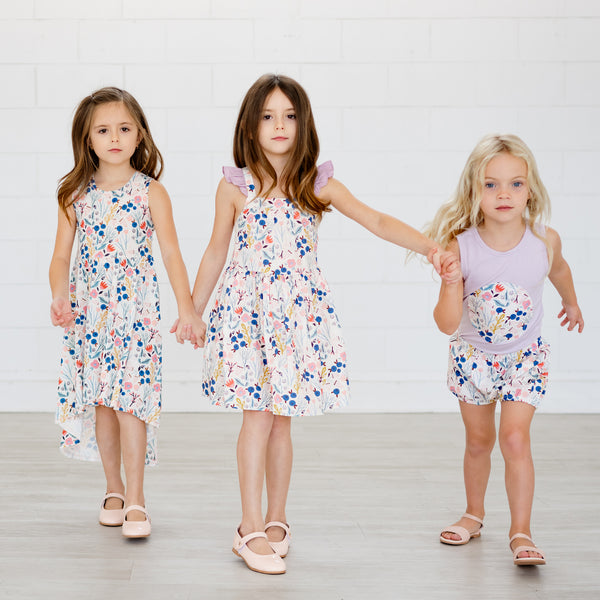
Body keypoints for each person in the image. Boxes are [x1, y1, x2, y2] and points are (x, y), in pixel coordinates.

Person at [186, 74, 456, 574]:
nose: (279, 125)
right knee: (256, 417)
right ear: (250, 125)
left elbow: (376, 220)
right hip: (247, 317)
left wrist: (431, 249)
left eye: (289, 116)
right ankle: (248, 526)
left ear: (303, 123)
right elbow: (216, 250)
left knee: (282, 421)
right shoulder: (235, 186)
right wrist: (192, 309)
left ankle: (276, 516)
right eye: (268, 116)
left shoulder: (318, 184)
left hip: (295, 319)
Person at [49, 87, 204, 538]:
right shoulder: (74, 194)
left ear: (139, 136)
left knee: (131, 405)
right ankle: (113, 488)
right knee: (103, 404)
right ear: (87, 138)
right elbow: (61, 256)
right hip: (90, 318)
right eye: (103, 130)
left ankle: (136, 497)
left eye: (123, 128)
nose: (114, 137)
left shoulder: (151, 192)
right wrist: (60, 294)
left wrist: (187, 307)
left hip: (136, 317)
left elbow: (171, 254)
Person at [429, 133, 584, 565]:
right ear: (473, 191)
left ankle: (521, 531)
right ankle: (473, 514)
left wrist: (571, 302)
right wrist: (450, 282)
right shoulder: (460, 245)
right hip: (473, 359)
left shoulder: (544, 240)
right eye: (491, 184)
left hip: (524, 358)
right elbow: (446, 324)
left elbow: (560, 270)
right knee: (479, 441)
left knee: (514, 438)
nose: (504, 194)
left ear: (530, 189)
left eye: (515, 184)